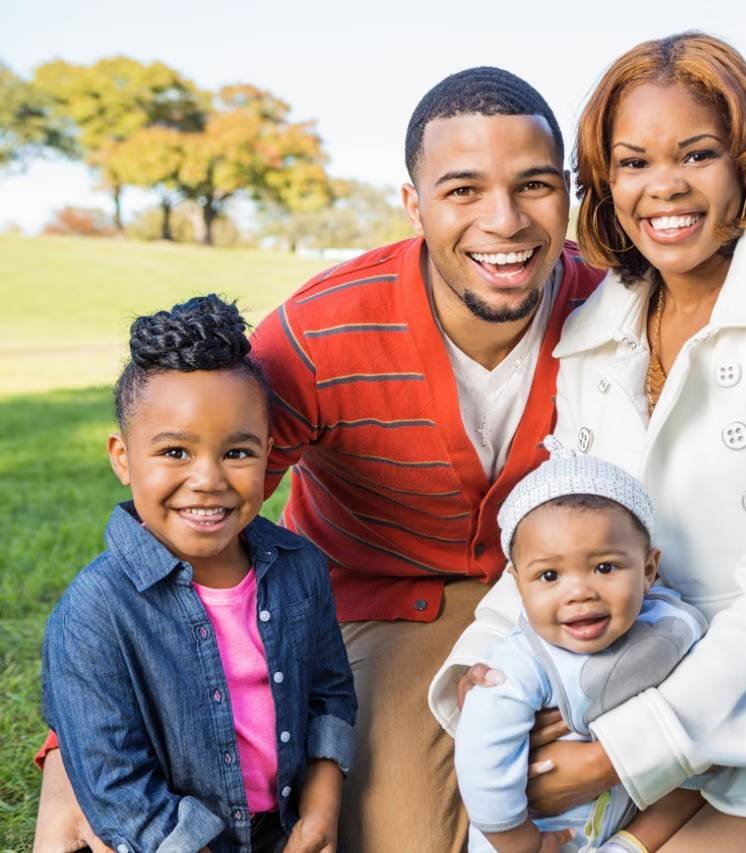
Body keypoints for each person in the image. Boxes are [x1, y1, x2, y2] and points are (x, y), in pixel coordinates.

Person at [33, 67, 603, 853]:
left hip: (570, 591)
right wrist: (71, 752)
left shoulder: (611, 313)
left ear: (566, 193)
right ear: (415, 205)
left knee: (591, 786)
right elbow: (181, 521)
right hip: (383, 606)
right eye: (463, 190)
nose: (504, 221)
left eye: (534, 185)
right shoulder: (316, 334)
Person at [432, 32, 746, 853]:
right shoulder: (593, 331)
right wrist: (487, 680)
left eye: (698, 153)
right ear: (605, 180)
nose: (663, 187)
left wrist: (612, 756)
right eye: (633, 162)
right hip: (605, 692)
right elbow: (550, 539)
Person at [41, 295, 356, 853]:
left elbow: (329, 693)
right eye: (175, 452)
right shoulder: (93, 612)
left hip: (283, 828)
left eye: (237, 452)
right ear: (122, 458)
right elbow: (116, 787)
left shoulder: (299, 569)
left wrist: (320, 811)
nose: (209, 479)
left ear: (269, 455)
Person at [456, 440, 708, 853]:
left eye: (604, 567)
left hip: (624, 829)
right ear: (518, 584)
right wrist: (519, 840)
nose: (579, 592)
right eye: (550, 576)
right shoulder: (521, 664)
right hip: (528, 839)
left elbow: (695, 761)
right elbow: (481, 761)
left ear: (648, 569)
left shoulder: (671, 630)